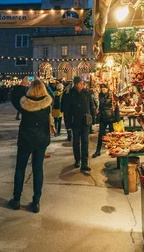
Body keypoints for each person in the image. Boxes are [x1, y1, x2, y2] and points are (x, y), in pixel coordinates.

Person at [8, 78, 55, 213]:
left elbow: (14, 97)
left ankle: (16, 200)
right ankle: (36, 202)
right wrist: (43, 83)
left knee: (20, 168)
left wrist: (22, 84)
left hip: (26, 139)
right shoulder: (48, 103)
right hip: (41, 139)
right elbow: (51, 94)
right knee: (38, 168)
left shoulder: (24, 103)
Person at [65, 76, 95, 172]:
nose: (82, 85)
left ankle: (84, 163)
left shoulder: (87, 93)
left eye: (83, 83)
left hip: (85, 121)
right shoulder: (70, 94)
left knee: (85, 142)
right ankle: (77, 160)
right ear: (76, 84)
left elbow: (91, 106)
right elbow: (67, 111)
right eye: (80, 83)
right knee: (76, 142)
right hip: (75, 122)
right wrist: (68, 125)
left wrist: (92, 118)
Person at [92, 84, 114, 158]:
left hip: (110, 117)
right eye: (102, 89)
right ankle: (98, 151)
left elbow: (105, 103)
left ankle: (114, 149)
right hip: (103, 117)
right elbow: (100, 105)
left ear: (107, 89)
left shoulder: (110, 96)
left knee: (112, 134)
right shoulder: (100, 95)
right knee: (101, 135)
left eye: (104, 89)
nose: (103, 90)